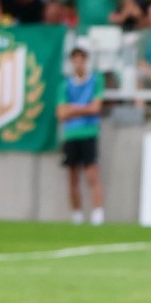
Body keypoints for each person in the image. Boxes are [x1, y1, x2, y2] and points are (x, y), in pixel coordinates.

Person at [57, 43, 106, 225]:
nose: (78, 63)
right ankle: (76, 215)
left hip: (88, 133)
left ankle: (97, 213)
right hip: (71, 135)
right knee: (72, 177)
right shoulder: (65, 84)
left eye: (81, 59)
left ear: (85, 61)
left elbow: (96, 108)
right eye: (75, 60)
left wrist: (73, 108)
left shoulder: (95, 80)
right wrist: (84, 108)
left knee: (92, 174)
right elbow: (61, 113)